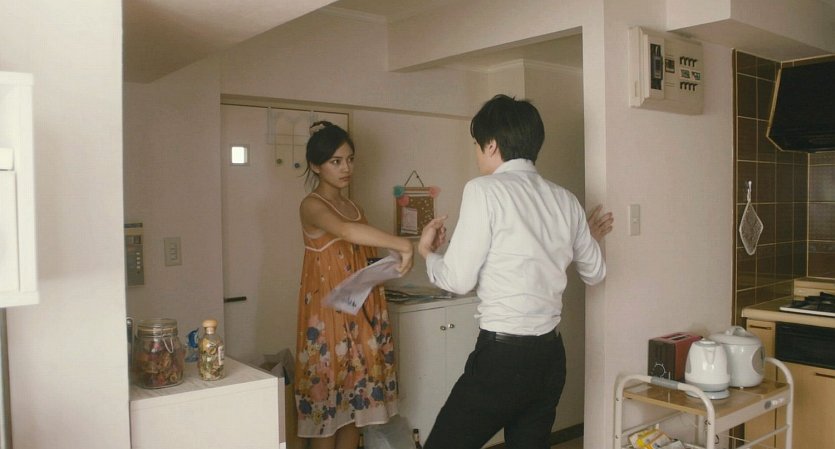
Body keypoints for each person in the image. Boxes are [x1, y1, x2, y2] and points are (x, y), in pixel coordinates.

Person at [417, 94, 614, 449]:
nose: (477, 153)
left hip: (502, 359)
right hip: (550, 358)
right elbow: (595, 273)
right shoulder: (565, 199)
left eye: (477, 144)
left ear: (491, 145)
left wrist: (428, 254)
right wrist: (583, 237)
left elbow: (458, 280)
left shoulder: (484, 190)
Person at [294, 121, 414, 449]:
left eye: (349, 159)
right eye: (335, 161)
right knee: (328, 412)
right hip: (329, 318)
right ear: (315, 165)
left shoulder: (355, 207)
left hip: (359, 312)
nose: (346, 168)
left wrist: (388, 264)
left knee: (353, 410)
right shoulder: (312, 205)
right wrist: (402, 244)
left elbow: (359, 255)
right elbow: (346, 232)